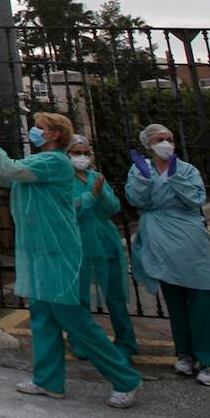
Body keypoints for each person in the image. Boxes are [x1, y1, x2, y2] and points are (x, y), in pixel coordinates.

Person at [0, 111, 141, 409]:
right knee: (43, 317)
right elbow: (2, 176)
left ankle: (124, 378)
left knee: (74, 320)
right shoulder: (40, 162)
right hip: (38, 249)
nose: (34, 131)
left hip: (56, 251)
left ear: (53, 135)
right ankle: (48, 380)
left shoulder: (53, 162)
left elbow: (8, 169)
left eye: (40, 127)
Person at [126, 123, 210, 387]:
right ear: (148, 144)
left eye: (169, 138)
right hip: (159, 238)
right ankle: (185, 353)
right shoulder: (140, 169)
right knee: (174, 300)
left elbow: (195, 199)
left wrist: (175, 177)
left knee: (201, 299)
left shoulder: (186, 170)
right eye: (160, 139)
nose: (166, 143)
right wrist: (144, 178)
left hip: (188, 238)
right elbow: (137, 200)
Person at [67, 134, 138, 359]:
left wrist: (100, 194)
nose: (82, 157)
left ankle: (126, 342)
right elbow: (68, 209)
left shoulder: (96, 176)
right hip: (78, 238)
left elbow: (113, 207)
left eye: (85, 153)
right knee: (79, 296)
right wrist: (92, 196)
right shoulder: (63, 179)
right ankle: (80, 341)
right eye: (76, 153)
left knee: (115, 294)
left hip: (104, 237)